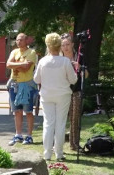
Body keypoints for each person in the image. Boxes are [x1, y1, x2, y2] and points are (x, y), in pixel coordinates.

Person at [33, 32, 79, 161]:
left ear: (48, 46)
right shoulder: (65, 61)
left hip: (47, 95)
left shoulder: (42, 61)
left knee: (48, 123)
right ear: (59, 46)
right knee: (60, 123)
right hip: (63, 95)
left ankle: (47, 153)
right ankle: (59, 153)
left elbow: (36, 80)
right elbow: (73, 80)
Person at [6, 31, 39, 146]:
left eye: (21, 39)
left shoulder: (32, 52)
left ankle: (29, 136)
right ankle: (18, 135)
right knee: (17, 111)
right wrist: (20, 64)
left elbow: (26, 68)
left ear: (26, 41)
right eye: (17, 40)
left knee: (28, 111)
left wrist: (15, 65)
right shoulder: (14, 52)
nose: (18, 42)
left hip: (27, 85)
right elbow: (8, 64)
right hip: (14, 85)